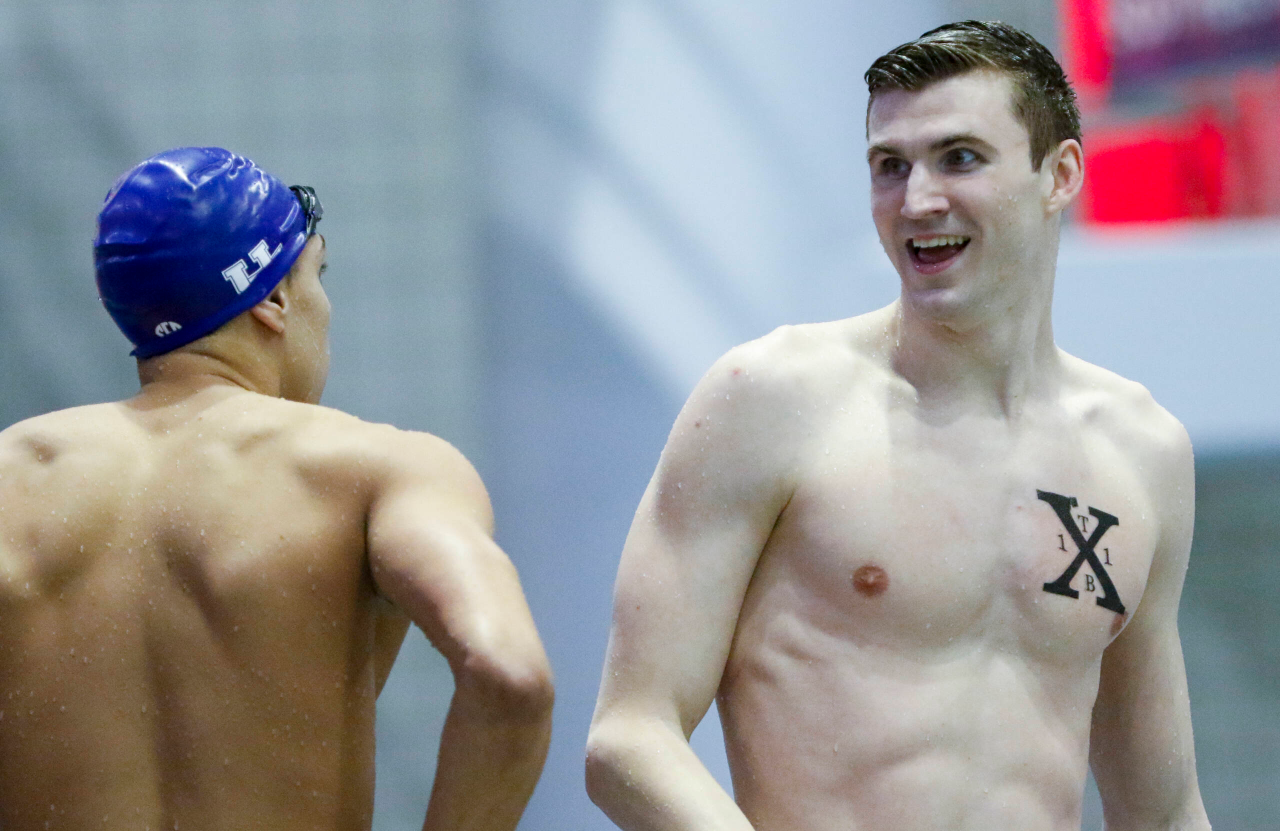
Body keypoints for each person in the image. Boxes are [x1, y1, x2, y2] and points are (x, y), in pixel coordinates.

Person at [586, 21, 1211, 831]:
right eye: (890, 166)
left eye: (959, 157)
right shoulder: (774, 399)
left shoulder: (1141, 452)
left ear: (1059, 175)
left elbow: (1160, 810)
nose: (917, 202)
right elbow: (631, 735)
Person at [0, 147, 553, 830]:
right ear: (273, 299)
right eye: (319, 274)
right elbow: (510, 676)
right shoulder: (374, 471)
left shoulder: (12, 478)